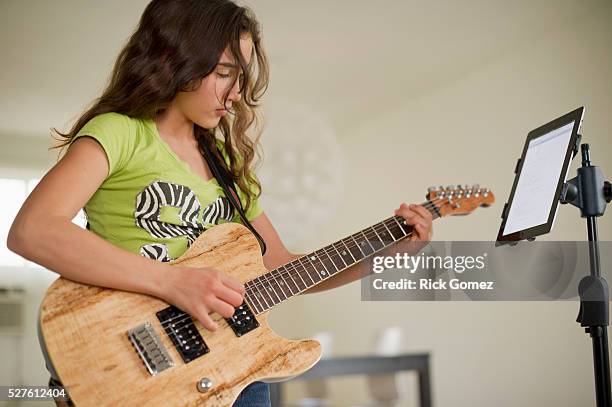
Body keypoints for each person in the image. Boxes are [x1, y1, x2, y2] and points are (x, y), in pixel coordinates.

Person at [7, 0, 433, 406]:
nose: (235, 95)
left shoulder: (227, 163)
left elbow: (279, 267)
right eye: (225, 72)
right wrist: (174, 282)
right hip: (131, 364)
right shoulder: (120, 133)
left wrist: (387, 256)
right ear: (176, 58)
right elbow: (33, 230)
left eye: (241, 79)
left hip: (234, 369)